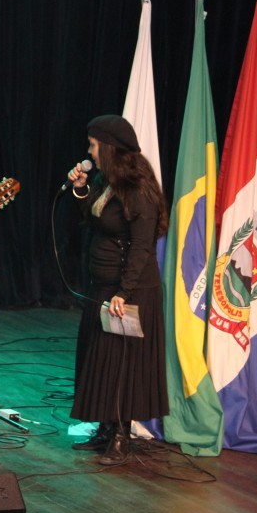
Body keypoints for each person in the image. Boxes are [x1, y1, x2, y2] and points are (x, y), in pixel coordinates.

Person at [66, 115, 169, 465]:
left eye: (93, 145)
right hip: (104, 284)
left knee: (123, 363)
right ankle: (107, 429)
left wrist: (123, 293)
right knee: (102, 359)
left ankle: (122, 436)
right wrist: (81, 188)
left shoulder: (138, 189)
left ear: (108, 146)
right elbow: (95, 218)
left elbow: (142, 246)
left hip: (132, 290)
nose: (89, 152)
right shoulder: (107, 181)